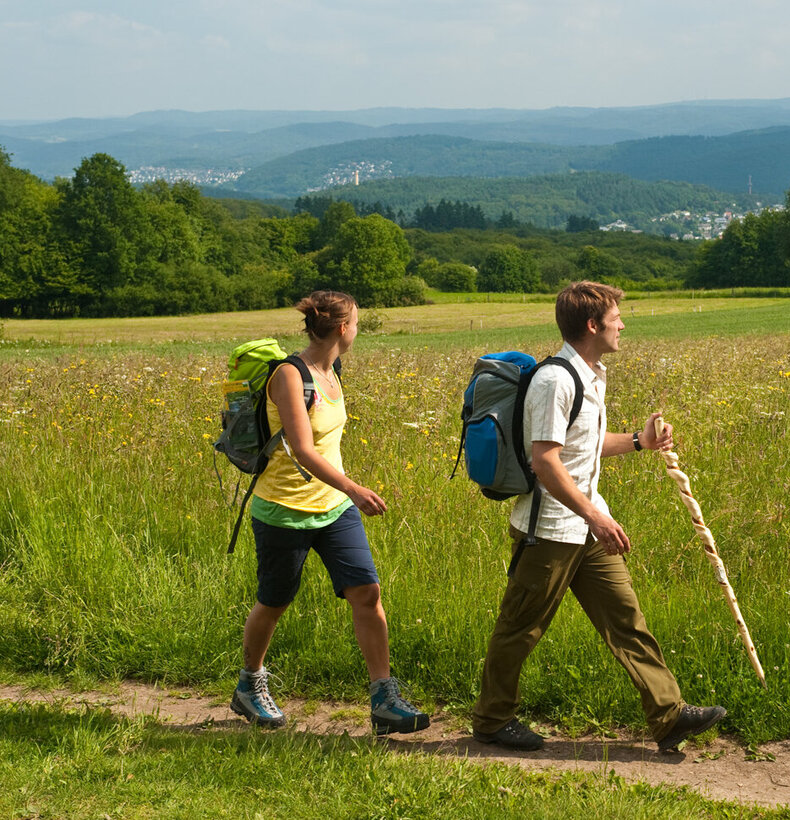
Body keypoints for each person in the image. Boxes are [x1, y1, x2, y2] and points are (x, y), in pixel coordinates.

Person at [471, 281, 726, 752]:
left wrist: (638, 441)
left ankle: (669, 716)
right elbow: (544, 461)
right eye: (615, 319)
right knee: (520, 629)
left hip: (586, 528)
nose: (623, 325)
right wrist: (595, 516)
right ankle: (491, 719)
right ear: (592, 325)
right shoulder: (555, 380)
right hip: (548, 532)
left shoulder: (591, 373)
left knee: (626, 620)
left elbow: (581, 445)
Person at [231, 290, 429, 736]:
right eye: (356, 322)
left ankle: (384, 698)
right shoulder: (288, 375)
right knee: (274, 600)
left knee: (367, 593)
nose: (358, 329)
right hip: (284, 508)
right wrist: (355, 488)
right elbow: (302, 448)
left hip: (333, 508)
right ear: (343, 328)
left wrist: (344, 494)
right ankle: (249, 685)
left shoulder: (332, 371)